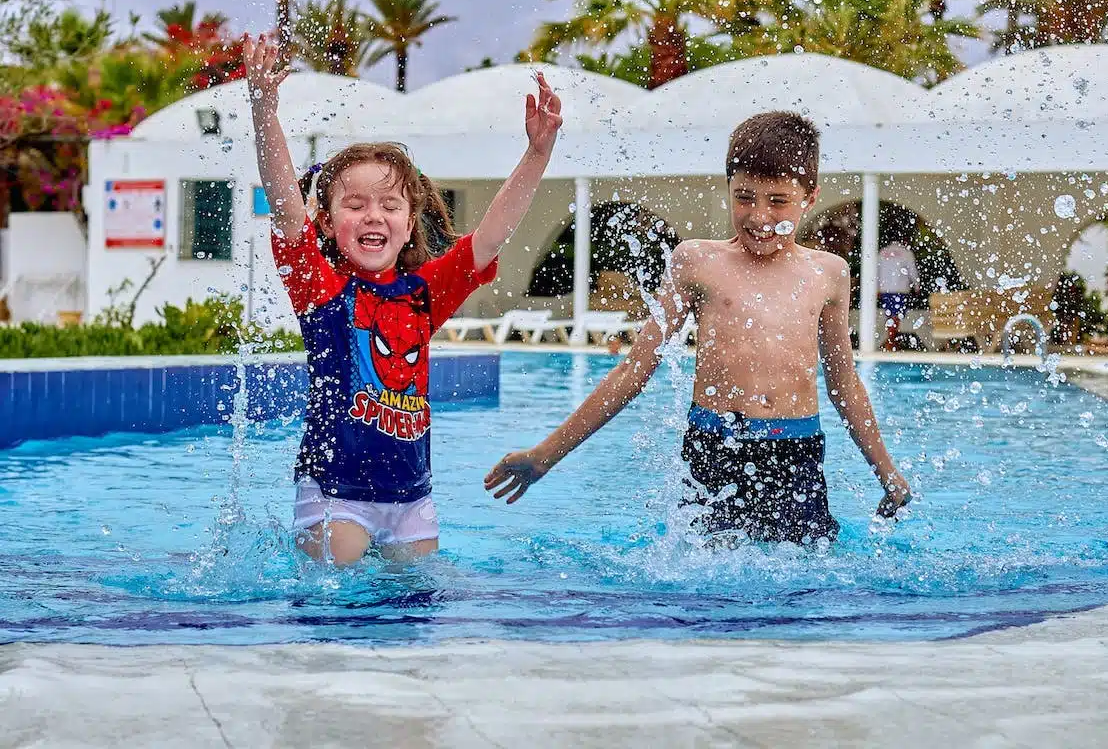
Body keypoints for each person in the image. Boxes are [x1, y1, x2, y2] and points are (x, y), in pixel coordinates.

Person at [484, 111, 911, 546]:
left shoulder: (828, 273)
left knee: (799, 594)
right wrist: (546, 455)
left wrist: (886, 471)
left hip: (795, 454)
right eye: (745, 197)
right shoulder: (696, 262)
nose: (759, 217)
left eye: (778, 200)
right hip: (713, 448)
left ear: (810, 197)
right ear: (727, 187)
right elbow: (634, 370)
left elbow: (845, 384)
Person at [244, 35, 562, 565]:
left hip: (412, 499)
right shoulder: (322, 288)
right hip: (335, 495)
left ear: (409, 222)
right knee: (335, 620)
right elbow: (284, 208)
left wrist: (537, 153)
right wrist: (264, 111)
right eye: (355, 204)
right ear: (327, 221)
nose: (374, 215)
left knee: (418, 617)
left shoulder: (424, 294)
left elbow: (490, 237)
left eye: (390, 204)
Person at [877, 232, 920, 351]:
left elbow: (876, 271)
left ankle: (891, 339)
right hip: (900, 289)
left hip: (885, 289)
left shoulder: (882, 252)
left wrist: (877, 287)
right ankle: (891, 341)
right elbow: (912, 270)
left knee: (890, 314)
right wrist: (917, 285)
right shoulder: (906, 253)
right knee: (896, 315)